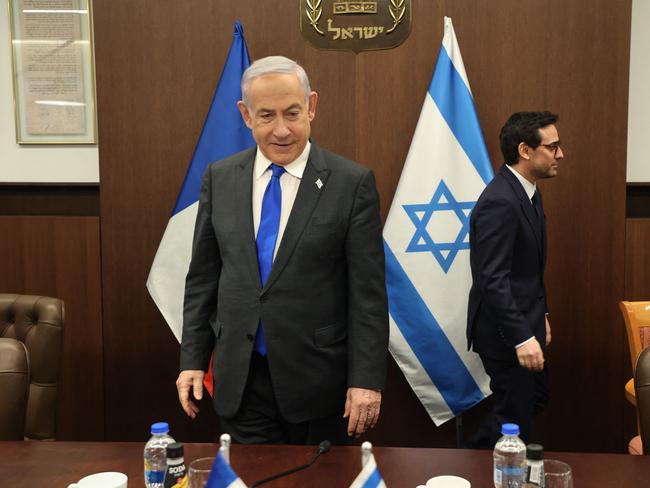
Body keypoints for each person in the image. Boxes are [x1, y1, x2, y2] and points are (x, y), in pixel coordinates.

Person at [175, 56, 389, 445]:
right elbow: (203, 278)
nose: (281, 130)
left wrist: (366, 381)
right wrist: (192, 359)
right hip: (242, 380)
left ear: (311, 106)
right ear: (245, 115)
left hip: (320, 385)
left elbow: (368, 295)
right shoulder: (220, 179)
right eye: (266, 116)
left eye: (292, 113)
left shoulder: (351, 183)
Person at [466, 111, 564, 448]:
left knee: (532, 400)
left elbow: (528, 269)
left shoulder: (529, 192)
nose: (560, 154)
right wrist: (522, 337)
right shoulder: (500, 201)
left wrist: (544, 315)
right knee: (513, 417)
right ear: (525, 150)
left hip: (527, 321)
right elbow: (492, 279)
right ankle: (466, 468)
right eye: (552, 147)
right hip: (504, 333)